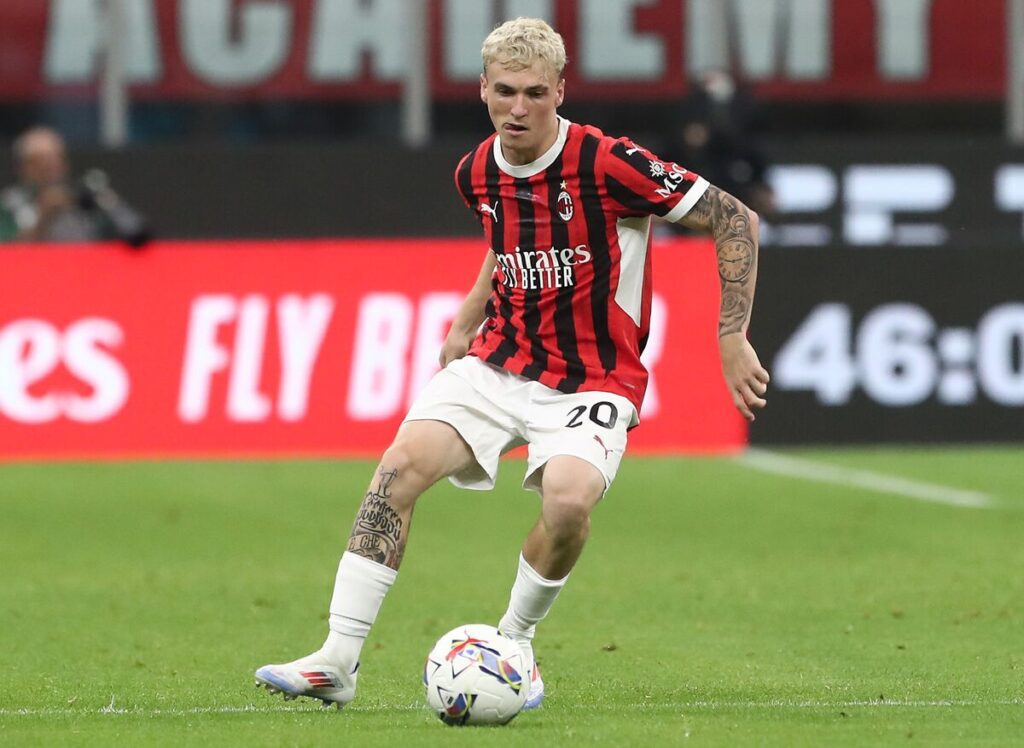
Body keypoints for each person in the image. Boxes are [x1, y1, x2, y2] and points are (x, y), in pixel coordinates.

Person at [254, 17, 769, 711]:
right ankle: (338, 660)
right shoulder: (475, 172)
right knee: (399, 469)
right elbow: (507, 240)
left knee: (568, 503)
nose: (519, 108)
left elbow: (734, 216)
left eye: (535, 93)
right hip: (500, 362)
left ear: (560, 90)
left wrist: (730, 333)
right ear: (482, 89)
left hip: (594, 376)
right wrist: (468, 318)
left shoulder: (608, 163)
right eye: (505, 92)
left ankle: (513, 641)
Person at [0, 126, 150, 245]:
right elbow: (8, 253)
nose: (50, 168)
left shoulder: (82, 198)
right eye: (40, 162)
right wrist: (44, 217)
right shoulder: (9, 203)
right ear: (24, 167)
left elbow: (134, 233)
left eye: (55, 159)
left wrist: (108, 203)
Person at [664, 69, 776, 220]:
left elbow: (756, 153)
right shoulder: (687, 120)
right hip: (699, 186)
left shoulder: (746, 125)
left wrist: (761, 184)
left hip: (737, 181)